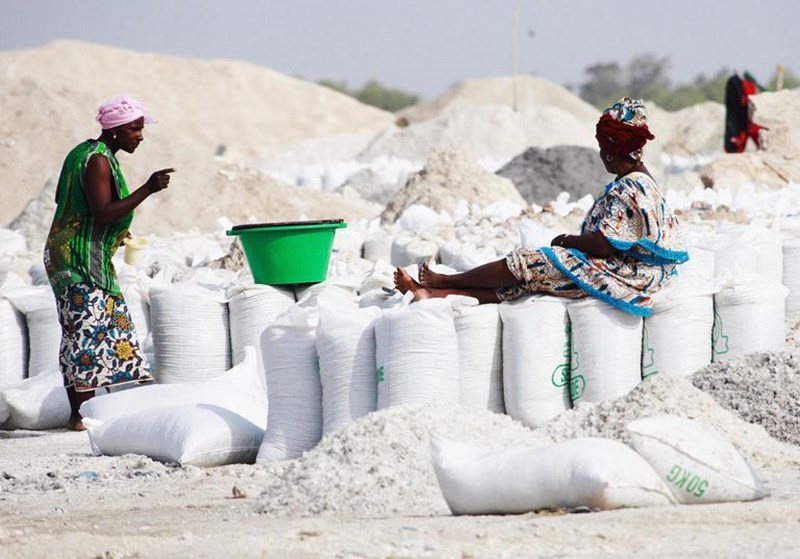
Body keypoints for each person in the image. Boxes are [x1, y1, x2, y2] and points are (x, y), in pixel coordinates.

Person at [394, 97, 689, 317]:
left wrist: (565, 241)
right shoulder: (644, 181)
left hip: (627, 275)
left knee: (533, 260)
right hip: (638, 272)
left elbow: (602, 245)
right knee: (529, 282)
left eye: (602, 150)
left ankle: (443, 279)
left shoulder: (630, 187)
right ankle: (432, 294)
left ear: (610, 152)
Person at [43, 95, 174, 431]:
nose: (140, 136)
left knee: (78, 332)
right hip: (79, 258)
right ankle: (85, 416)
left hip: (69, 251)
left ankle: (80, 415)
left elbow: (70, 200)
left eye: (141, 129)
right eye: (134, 129)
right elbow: (101, 212)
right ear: (115, 130)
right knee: (91, 330)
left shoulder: (85, 153)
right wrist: (147, 188)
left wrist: (118, 233)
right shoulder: (99, 161)